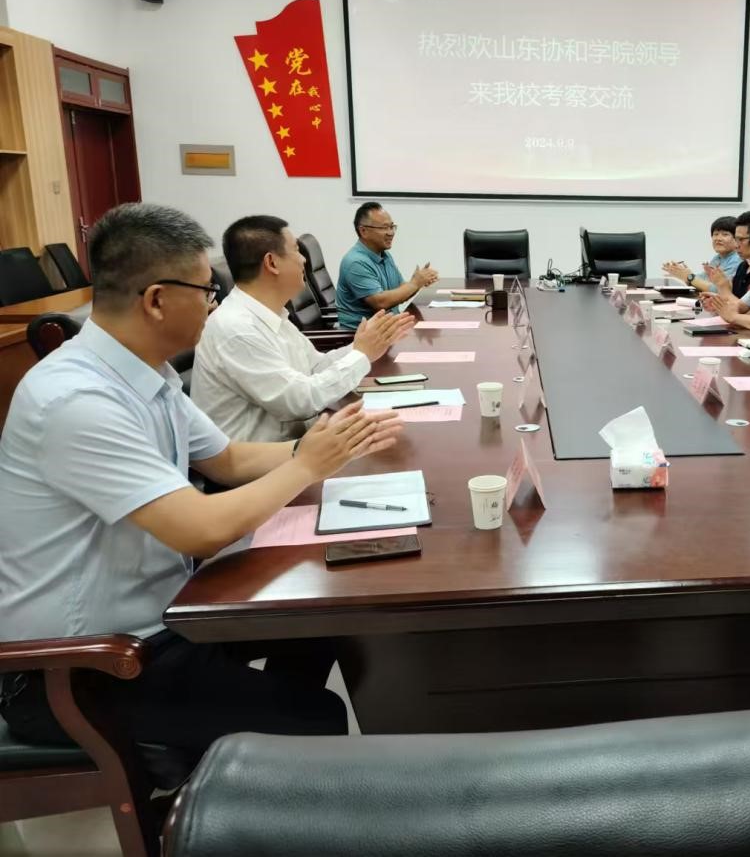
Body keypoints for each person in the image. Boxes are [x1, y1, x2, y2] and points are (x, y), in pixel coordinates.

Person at [0, 203, 402, 774]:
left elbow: (229, 459)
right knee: (316, 717)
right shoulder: (76, 400)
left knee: (317, 626)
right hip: (81, 669)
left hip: (163, 621)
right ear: (156, 300)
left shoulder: (149, 374)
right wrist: (306, 466)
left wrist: (331, 446)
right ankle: (244, 793)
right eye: (206, 291)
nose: (214, 304)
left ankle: (252, 768)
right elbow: (201, 529)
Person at [193, 215, 415, 442]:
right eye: (296, 251)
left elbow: (314, 366)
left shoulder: (270, 315)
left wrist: (362, 346)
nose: (304, 260)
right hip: (270, 459)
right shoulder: (238, 329)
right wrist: (361, 355)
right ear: (272, 263)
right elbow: (300, 401)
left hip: (300, 445)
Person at [335, 202, 438, 329]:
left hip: (388, 328)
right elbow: (380, 302)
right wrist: (415, 283)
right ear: (363, 231)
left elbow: (401, 290)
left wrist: (419, 281)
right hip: (362, 335)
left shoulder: (384, 255)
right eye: (384, 228)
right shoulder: (355, 262)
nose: (391, 233)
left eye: (392, 227)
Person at [661, 216, 740, 293]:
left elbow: (719, 290)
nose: (718, 239)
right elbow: (703, 279)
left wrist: (689, 277)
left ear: (737, 238)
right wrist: (681, 273)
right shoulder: (718, 258)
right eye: (716, 234)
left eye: (725, 234)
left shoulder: (737, 259)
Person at [705, 210, 750, 299]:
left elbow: (747, 306)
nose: (736, 245)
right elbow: (736, 301)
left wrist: (724, 289)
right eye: (736, 239)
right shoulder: (742, 267)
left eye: (741, 239)